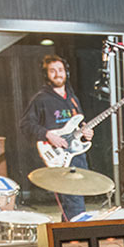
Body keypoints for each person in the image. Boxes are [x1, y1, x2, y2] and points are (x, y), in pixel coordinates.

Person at [19, 54, 94, 221]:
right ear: (46, 75)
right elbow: (25, 125)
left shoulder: (73, 98)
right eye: (52, 71)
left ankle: (70, 238)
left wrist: (86, 132)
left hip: (77, 155)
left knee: (75, 200)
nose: (57, 74)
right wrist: (48, 135)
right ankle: (77, 237)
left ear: (66, 72)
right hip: (59, 156)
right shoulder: (41, 99)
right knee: (73, 203)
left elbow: (79, 124)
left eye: (60, 70)